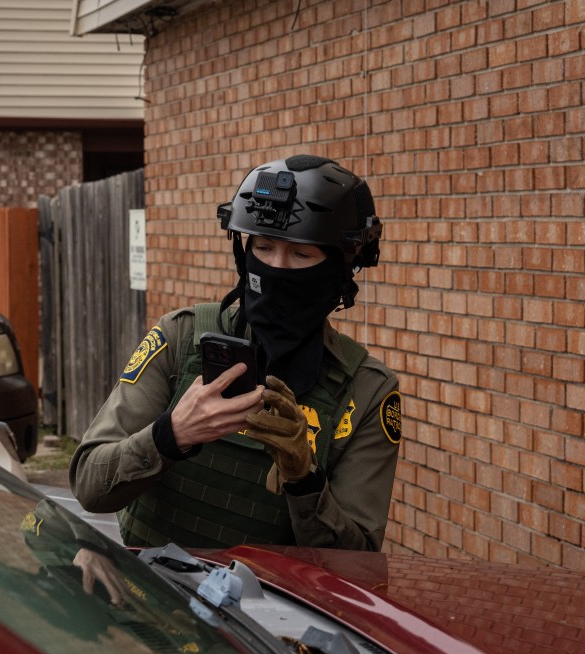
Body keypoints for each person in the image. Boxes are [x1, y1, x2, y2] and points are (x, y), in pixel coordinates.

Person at [70, 155, 402, 552]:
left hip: (272, 612)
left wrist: (304, 480)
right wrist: (170, 435)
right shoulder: (181, 337)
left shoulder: (364, 391)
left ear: (339, 269)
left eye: (302, 255)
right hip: (151, 595)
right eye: (263, 247)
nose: (277, 268)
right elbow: (90, 485)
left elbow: (356, 560)